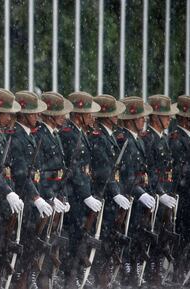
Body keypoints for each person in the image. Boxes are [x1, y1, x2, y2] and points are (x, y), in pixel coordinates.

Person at [10, 90, 54, 289]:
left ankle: (25, 279)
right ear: (23, 113)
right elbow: (21, 173)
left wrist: (47, 196)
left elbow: (39, 171)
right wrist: (35, 197)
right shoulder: (17, 137)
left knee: (32, 244)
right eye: (34, 112)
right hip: (22, 198)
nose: (38, 116)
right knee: (23, 244)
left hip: (33, 196)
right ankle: (20, 280)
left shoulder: (31, 136)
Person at [58, 91, 102, 289]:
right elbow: (73, 167)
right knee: (73, 237)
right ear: (79, 114)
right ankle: (69, 277)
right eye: (89, 113)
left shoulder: (79, 132)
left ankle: (74, 275)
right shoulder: (69, 134)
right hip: (74, 194)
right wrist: (85, 195)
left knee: (80, 237)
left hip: (82, 192)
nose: (92, 117)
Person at [88, 94, 129, 287]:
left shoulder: (109, 136)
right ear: (106, 115)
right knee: (101, 237)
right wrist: (115, 191)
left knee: (110, 237)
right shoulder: (99, 137)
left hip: (110, 194)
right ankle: (98, 276)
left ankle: (103, 273)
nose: (117, 117)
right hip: (102, 193)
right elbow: (104, 170)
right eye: (113, 114)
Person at [0, 88, 24, 288]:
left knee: (2, 245)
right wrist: (8, 192)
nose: (9, 117)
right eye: (6, 113)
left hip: (3, 196)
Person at [115, 96, 155, 287]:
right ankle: (127, 269)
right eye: (139, 118)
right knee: (129, 234)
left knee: (139, 233)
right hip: (130, 193)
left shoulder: (135, 139)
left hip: (139, 191)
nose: (143, 120)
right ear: (130, 119)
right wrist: (140, 193)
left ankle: (134, 266)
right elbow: (126, 176)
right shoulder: (125, 140)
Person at [36, 91, 73, 288]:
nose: (64, 117)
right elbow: (40, 172)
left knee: (54, 239)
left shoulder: (55, 135)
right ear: (49, 115)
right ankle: (41, 278)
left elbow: (61, 171)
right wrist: (50, 196)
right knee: (44, 240)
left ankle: (49, 276)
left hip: (57, 192)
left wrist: (63, 195)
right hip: (45, 194)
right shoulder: (41, 135)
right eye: (59, 113)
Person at [142, 95, 178, 286]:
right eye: (165, 116)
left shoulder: (162, 138)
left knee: (163, 236)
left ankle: (156, 271)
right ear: (155, 117)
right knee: (152, 236)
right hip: (155, 196)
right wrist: (159, 192)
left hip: (166, 194)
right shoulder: (148, 139)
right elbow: (149, 170)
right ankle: (150, 273)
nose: (169, 119)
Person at [169, 95, 190, 284]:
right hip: (183, 195)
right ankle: (179, 273)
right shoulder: (177, 138)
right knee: (183, 235)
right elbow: (179, 168)